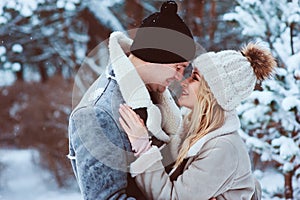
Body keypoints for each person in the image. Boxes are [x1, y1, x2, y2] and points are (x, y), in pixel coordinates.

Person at [67, 1, 196, 199]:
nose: (179, 77)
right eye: (177, 67)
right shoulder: (97, 113)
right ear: (156, 56)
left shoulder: (155, 94)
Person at [119, 42, 276, 199]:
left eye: (194, 78)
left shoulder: (222, 148)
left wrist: (143, 149)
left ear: (213, 93)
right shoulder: (193, 130)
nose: (183, 82)